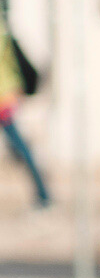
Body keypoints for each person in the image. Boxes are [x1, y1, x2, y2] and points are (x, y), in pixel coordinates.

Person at [0, 13, 51, 209]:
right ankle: (43, 193)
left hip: (3, 97)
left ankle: (43, 194)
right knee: (20, 147)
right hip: (7, 94)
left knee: (20, 147)